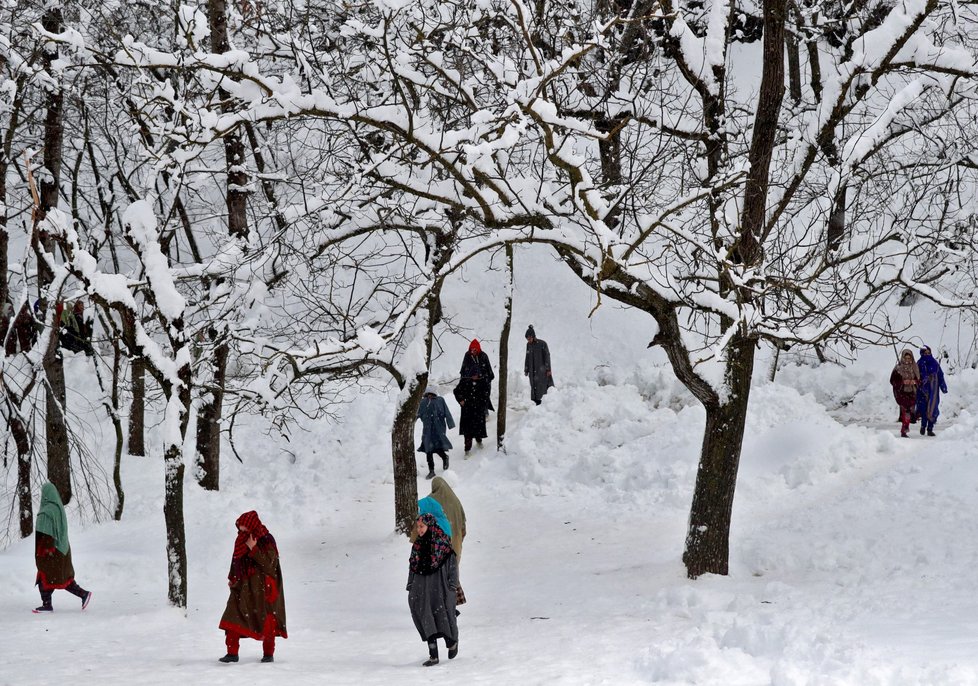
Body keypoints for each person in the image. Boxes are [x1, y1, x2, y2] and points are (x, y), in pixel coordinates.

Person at [219, 511, 287, 664]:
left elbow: (270, 566)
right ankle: (232, 653)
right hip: (242, 586)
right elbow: (236, 560)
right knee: (232, 615)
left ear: (251, 525)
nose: (241, 530)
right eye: (240, 527)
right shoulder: (241, 539)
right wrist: (232, 577)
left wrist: (254, 548)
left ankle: (268, 654)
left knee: (267, 620)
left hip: (262, 588)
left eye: (244, 527)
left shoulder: (266, 540)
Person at [407, 512, 459, 666]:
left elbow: (452, 565)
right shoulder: (417, 545)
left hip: (439, 587)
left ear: (430, 525)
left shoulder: (442, 544)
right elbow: (412, 566)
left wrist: (451, 586)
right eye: (418, 527)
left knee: (441, 617)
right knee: (426, 618)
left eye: (422, 526)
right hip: (421, 588)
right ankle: (433, 656)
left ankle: (451, 642)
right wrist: (410, 584)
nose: (420, 530)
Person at [33, 482, 93, 613]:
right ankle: (83, 594)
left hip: (51, 552)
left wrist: (46, 550)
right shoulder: (58, 509)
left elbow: (47, 533)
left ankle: (47, 605)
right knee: (61, 578)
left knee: (46, 577)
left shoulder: (46, 511)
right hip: (63, 550)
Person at [430, 477, 467, 606]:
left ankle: (440, 599)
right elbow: (463, 525)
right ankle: (455, 597)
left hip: (438, 542)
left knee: (439, 571)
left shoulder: (431, 501)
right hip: (455, 540)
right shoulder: (455, 501)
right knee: (452, 569)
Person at [454, 340, 493, 453]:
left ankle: (479, 438)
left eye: (475, 350)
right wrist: (466, 380)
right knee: (468, 428)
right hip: (468, 401)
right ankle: (468, 447)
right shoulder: (467, 356)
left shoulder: (483, 356)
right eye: (471, 349)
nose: (473, 351)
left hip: (482, 383)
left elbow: (489, 372)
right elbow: (464, 371)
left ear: (478, 349)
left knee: (479, 421)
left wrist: (483, 379)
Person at [417, 389, 455, 479]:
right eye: (428, 394)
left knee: (437, 448)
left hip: (439, 428)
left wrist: (450, 423)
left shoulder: (440, 400)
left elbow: (447, 412)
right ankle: (431, 471)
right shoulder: (422, 403)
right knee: (428, 449)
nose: (430, 396)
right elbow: (416, 414)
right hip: (427, 430)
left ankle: (445, 458)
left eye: (431, 394)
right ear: (426, 394)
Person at [916, 345, 948, 436]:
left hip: (933, 391)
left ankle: (930, 429)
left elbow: (940, 375)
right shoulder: (919, 363)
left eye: (928, 353)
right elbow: (916, 376)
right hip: (922, 391)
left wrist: (943, 386)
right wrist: (923, 380)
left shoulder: (935, 363)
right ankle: (923, 426)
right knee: (923, 410)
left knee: (932, 410)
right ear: (921, 354)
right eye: (925, 353)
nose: (927, 354)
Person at [889, 348, 920, 438]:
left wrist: (914, 382)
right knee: (905, 411)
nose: (907, 360)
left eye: (909, 358)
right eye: (905, 358)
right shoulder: (898, 368)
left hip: (912, 392)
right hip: (902, 393)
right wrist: (902, 382)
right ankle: (904, 429)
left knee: (910, 411)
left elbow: (919, 380)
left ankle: (906, 426)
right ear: (902, 358)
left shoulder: (915, 367)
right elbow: (892, 381)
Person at [524, 325, 554, 405]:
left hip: (541, 370)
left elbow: (547, 356)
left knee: (542, 386)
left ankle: (544, 403)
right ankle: (536, 402)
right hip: (532, 370)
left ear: (533, 336)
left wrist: (548, 369)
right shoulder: (528, 345)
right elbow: (527, 357)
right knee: (534, 386)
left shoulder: (542, 344)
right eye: (527, 338)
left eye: (529, 338)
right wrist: (526, 368)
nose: (528, 340)